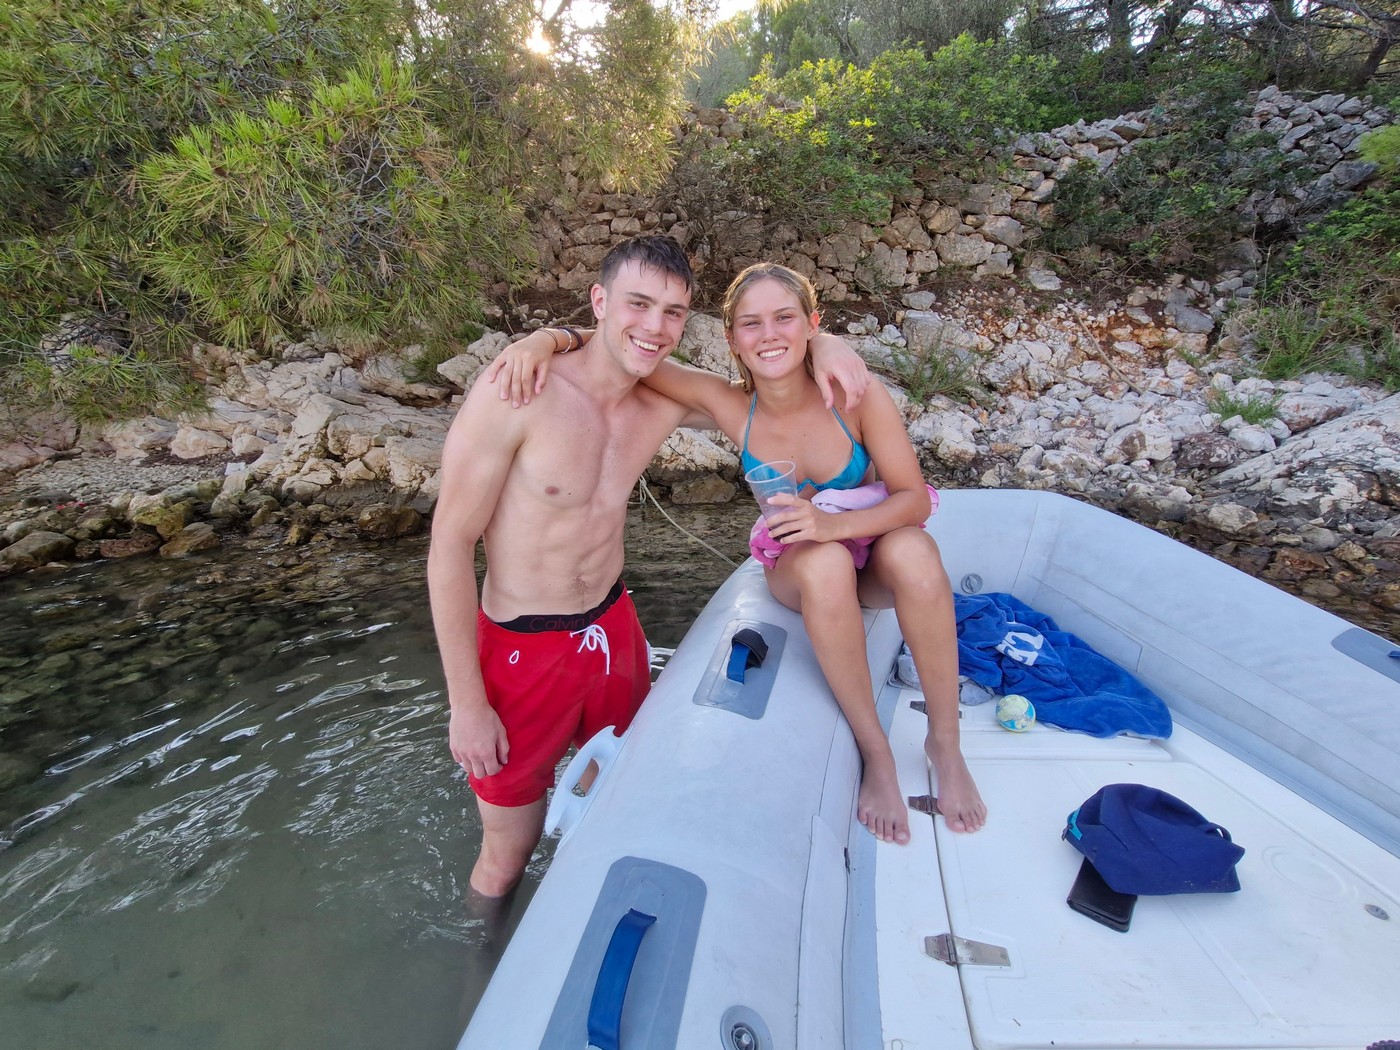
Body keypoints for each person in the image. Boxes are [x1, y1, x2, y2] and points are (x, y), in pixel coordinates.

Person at [430, 237, 871, 899]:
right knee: (507, 854)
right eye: (638, 304)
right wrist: (466, 704)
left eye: (673, 312)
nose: (655, 327)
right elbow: (449, 544)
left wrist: (828, 343)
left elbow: (769, 388)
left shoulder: (661, 398)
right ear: (600, 301)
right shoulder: (520, 392)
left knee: (623, 804)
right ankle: (485, 957)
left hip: (614, 631)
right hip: (521, 650)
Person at [491, 262, 986, 843]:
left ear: (811, 324)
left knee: (916, 552)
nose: (768, 335)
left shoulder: (853, 395)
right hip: (802, 567)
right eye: (751, 323)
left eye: (785, 318)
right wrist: (545, 339)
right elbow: (630, 352)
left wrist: (831, 522)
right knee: (824, 561)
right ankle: (876, 752)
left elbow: (914, 499)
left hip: (869, 550)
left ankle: (945, 745)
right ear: (731, 338)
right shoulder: (729, 405)